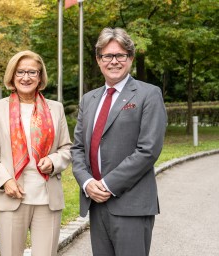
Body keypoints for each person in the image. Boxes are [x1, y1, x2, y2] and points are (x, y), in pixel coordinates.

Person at [71, 27, 167, 256]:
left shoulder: (149, 94)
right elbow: (78, 149)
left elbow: (148, 150)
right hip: (96, 203)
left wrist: (107, 184)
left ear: (130, 58)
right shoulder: (89, 99)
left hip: (131, 205)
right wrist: (87, 183)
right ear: (98, 60)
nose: (113, 61)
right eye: (107, 56)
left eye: (120, 55)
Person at [0, 50, 72, 256]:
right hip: (11, 196)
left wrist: (53, 160)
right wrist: (5, 181)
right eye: (20, 72)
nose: (26, 77)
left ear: (40, 77)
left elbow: (67, 148)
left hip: (47, 198)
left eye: (32, 72)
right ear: (12, 76)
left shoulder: (55, 108)